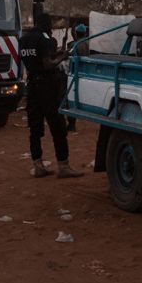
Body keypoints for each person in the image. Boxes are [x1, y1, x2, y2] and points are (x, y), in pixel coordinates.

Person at [19, 13, 84, 179]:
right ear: (45, 23)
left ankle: (38, 165)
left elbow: (38, 60)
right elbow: (47, 64)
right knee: (58, 127)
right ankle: (64, 166)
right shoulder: (45, 39)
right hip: (48, 87)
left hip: (32, 86)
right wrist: (63, 56)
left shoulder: (24, 39)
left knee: (35, 128)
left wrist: (55, 53)